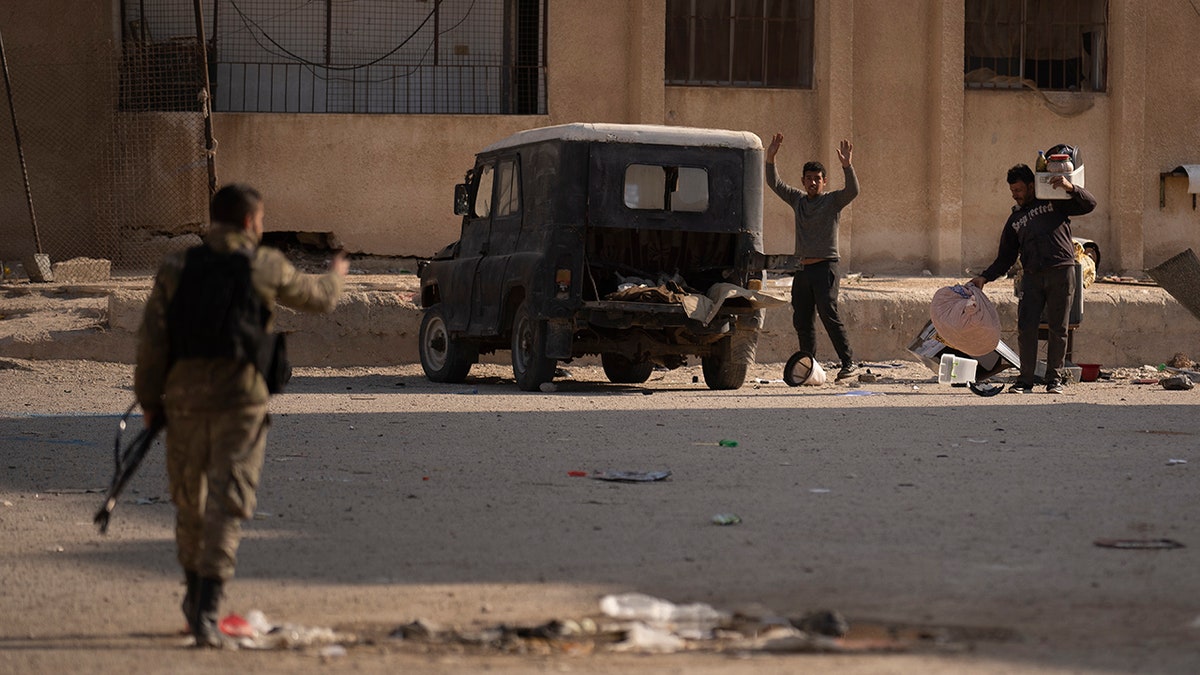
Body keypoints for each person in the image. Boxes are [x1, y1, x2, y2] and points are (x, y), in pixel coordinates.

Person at [134, 184, 349, 647]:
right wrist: (337, 273)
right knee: (228, 501)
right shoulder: (264, 264)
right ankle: (207, 609)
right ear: (252, 221)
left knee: (190, 498)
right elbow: (319, 298)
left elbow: (152, 339)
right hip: (241, 400)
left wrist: (150, 401)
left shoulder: (176, 265)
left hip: (185, 399)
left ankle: (196, 601)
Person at [970, 165, 1096, 395]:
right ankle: (1025, 380)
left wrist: (1070, 188)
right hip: (1031, 277)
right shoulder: (1015, 219)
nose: (1015, 195)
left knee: (1059, 328)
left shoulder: (1053, 201)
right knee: (1026, 328)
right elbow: (1005, 258)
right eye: (1012, 191)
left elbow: (1089, 204)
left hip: (1062, 272)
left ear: (1031, 186)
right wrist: (984, 278)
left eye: (1018, 189)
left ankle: (1054, 380)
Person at [766, 134, 860, 380]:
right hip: (802, 270)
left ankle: (848, 363)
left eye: (817, 179)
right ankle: (810, 366)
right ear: (803, 181)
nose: (812, 183)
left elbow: (853, 190)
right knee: (802, 319)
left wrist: (847, 166)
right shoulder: (798, 200)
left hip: (825, 267)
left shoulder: (832, 202)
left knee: (829, 314)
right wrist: (771, 158)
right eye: (808, 179)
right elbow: (775, 184)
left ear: (824, 182)